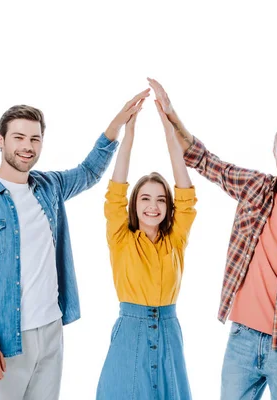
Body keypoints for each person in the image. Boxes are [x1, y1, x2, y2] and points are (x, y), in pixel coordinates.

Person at [148, 78, 277, 399]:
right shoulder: (254, 187)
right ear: (274, 153)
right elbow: (203, 159)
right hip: (241, 338)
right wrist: (172, 115)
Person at [0, 88, 150, 400]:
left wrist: (117, 125)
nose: (27, 147)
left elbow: (88, 172)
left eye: (34, 139)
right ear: (0, 140)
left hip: (51, 330)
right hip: (5, 338)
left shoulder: (49, 187)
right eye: (18, 138)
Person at [96, 95, 197, 400]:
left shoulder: (175, 238)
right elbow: (115, 192)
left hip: (168, 331)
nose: (153, 207)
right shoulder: (120, 237)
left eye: (160, 199)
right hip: (131, 332)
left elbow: (186, 195)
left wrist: (170, 134)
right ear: (134, 204)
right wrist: (129, 136)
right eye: (145, 198)